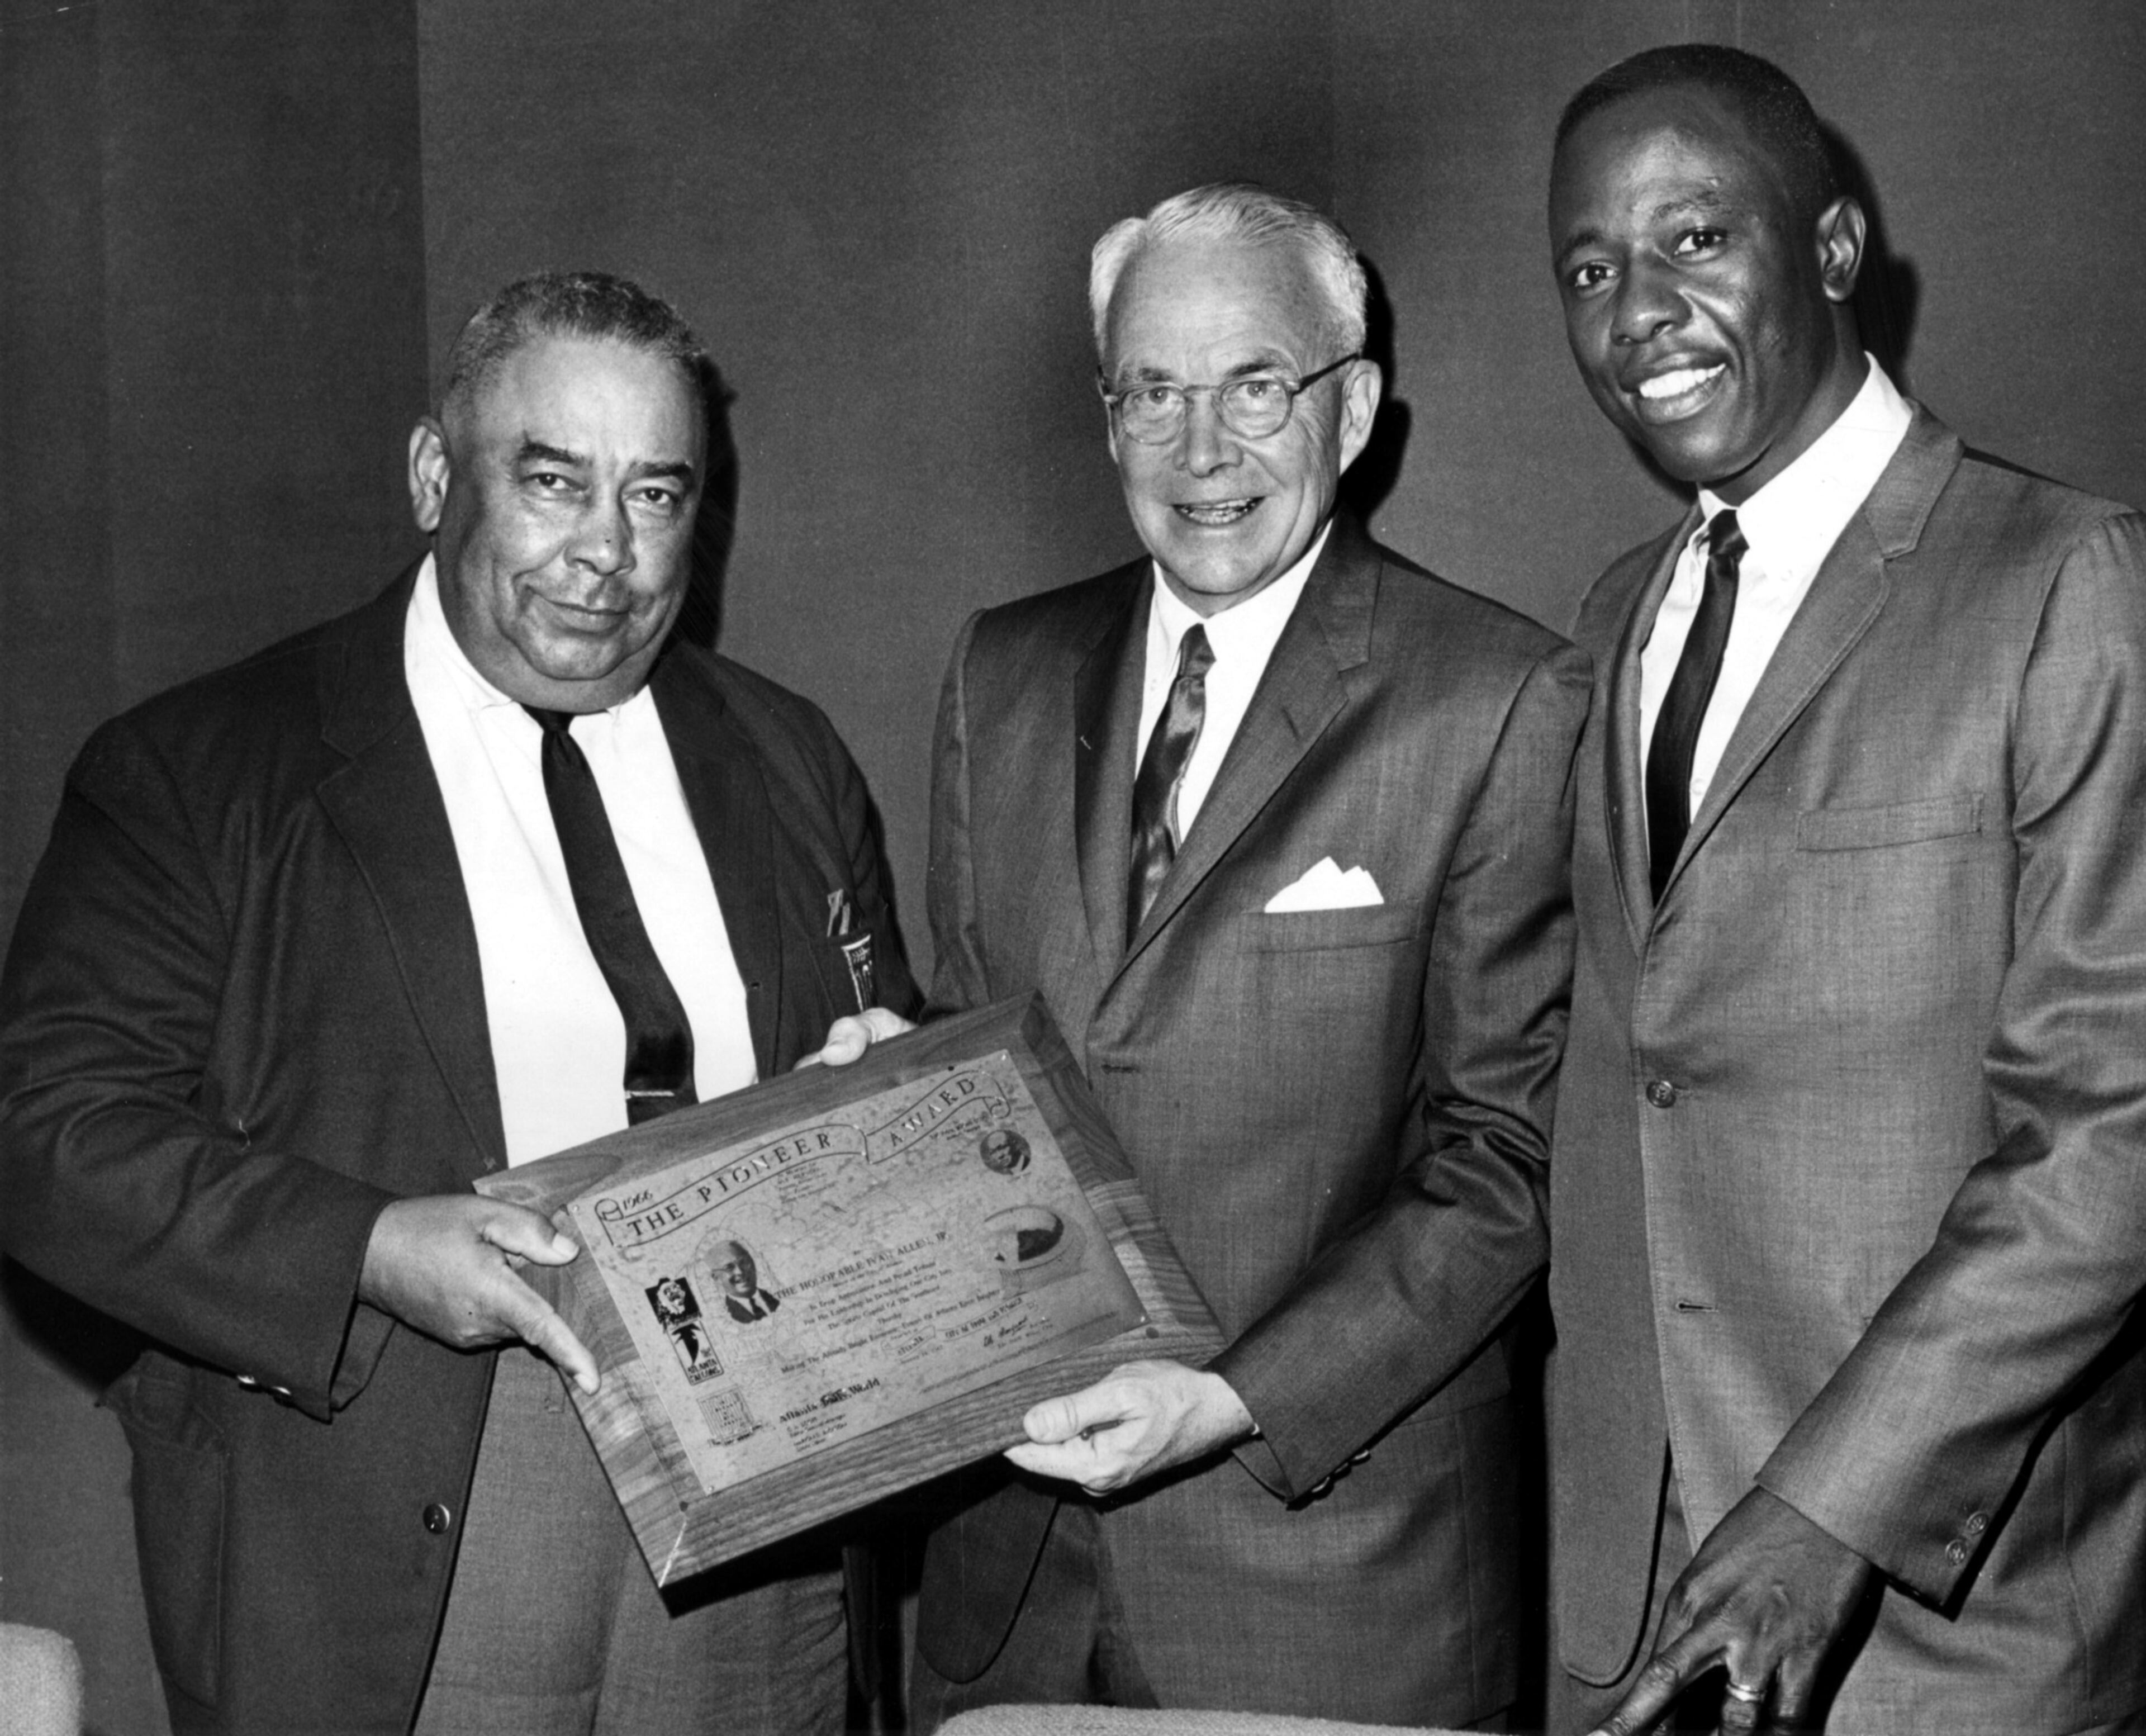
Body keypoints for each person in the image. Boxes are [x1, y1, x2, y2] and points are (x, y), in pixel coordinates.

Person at [0, 271, 915, 1735]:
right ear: (436, 474)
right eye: (553, 483)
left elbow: (879, 1062)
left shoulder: (789, 755)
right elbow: (44, 1137)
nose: (608, 553)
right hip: (415, 1492)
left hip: (766, 1502)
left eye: (658, 495)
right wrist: (364, 1244)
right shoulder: (204, 766)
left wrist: (883, 1090)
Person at [879, 181, 1589, 1729]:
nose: (1203, 451)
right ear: (1110, 415)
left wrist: (1229, 1400)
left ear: (1353, 410)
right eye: (1155, 392)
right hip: (1006, 1590)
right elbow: (974, 1061)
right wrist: (882, 1102)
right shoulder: (997, 671)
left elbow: (1507, 1161)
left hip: (1332, 1584)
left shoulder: (1498, 698)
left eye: (1256, 386)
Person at [1542, 45, 2146, 1736]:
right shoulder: (1611, 618)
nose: (1634, 315)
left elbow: (2111, 1131)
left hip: (1932, 1635)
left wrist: (1828, 1509)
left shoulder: (2068, 582)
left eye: (1691, 243)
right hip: (1626, 1618)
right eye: (1588, 270)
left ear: (1828, 247)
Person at [710, 1239, 782, 1323]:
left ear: (752, 1262)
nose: (740, 1272)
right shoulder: (724, 1318)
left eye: (743, 1262)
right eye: (729, 1268)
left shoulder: (775, 1300)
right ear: (716, 1278)